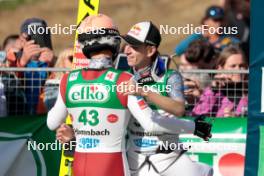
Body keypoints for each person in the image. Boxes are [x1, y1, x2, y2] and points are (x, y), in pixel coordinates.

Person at [54, 20, 213, 176]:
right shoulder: (120, 78)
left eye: (135, 47)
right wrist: (73, 137)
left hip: (169, 156)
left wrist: (144, 92)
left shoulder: (169, 77)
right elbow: (101, 125)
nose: (127, 50)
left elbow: (179, 109)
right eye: (127, 45)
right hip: (135, 160)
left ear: (150, 51)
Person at [192, 45, 248, 117]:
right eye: (233, 66)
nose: (238, 70)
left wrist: (237, 118)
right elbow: (196, 117)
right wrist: (213, 90)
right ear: (220, 68)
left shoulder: (253, 92)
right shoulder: (213, 91)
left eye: (241, 66)